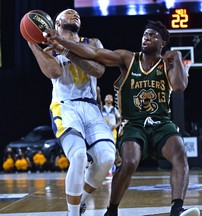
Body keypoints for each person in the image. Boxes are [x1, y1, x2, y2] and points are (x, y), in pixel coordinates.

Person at [44, 20, 200, 216]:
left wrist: (177, 58)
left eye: (152, 35)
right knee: (130, 162)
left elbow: (179, 87)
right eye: (145, 34)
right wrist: (62, 43)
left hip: (161, 122)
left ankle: (177, 209)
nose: (147, 38)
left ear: (162, 43)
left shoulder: (167, 63)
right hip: (133, 123)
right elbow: (95, 54)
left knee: (180, 154)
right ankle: (112, 209)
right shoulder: (128, 58)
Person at [27, 9, 116, 216]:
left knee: (107, 158)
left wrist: (66, 50)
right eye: (69, 13)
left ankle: (81, 201)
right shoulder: (48, 51)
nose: (75, 15)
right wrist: (31, 41)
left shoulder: (93, 43)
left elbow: (98, 70)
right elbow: (55, 72)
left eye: (77, 14)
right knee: (78, 156)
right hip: (65, 105)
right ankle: (73, 214)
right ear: (56, 22)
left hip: (91, 106)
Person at [102, 94, 122, 179]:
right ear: (104, 99)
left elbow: (120, 119)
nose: (109, 98)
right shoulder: (101, 109)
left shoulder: (114, 109)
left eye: (111, 97)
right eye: (107, 97)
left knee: (111, 149)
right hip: (103, 131)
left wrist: (116, 125)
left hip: (112, 132)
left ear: (113, 100)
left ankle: (110, 171)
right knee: (103, 150)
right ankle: (104, 170)